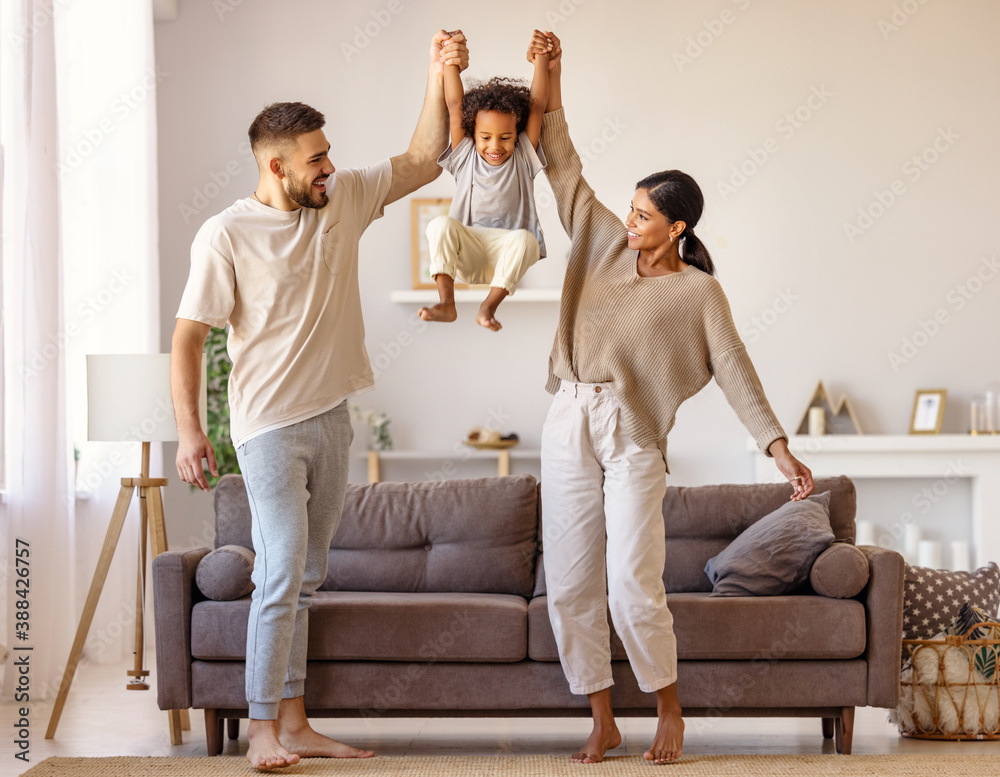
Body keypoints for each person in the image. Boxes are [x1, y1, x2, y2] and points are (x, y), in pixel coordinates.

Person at [170, 30, 469, 772]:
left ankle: (296, 722)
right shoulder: (226, 234)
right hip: (267, 428)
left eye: (329, 154)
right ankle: (263, 730)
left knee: (305, 578)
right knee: (278, 573)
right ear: (275, 165)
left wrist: (437, 72)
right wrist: (190, 430)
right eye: (316, 158)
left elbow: (426, 153)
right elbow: (187, 337)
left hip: (332, 416)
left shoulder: (341, 201)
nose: (330, 166)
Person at [534, 33, 815, 766]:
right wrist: (550, 71)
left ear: (677, 226)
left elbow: (734, 368)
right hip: (569, 414)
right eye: (629, 209)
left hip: (633, 436)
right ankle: (600, 717)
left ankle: (669, 709)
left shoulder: (698, 291)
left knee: (631, 582)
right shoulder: (598, 238)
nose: (631, 223)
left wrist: (778, 448)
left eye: (644, 216)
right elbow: (558, 157)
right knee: (569, 582)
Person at [418, 30, 552, 331]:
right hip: (469, 251)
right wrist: (449, 59)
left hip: (507, 256)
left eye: (505, 137)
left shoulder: (522, 158)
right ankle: (446, 303)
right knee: (439, 225)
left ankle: (488, 308)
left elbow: (538, 105)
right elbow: (455, 105)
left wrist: (541, 61)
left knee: (527, 239)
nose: (495, 146)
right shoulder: (465, 157)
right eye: (486, 138)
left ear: (516, 135)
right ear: (472, 134)